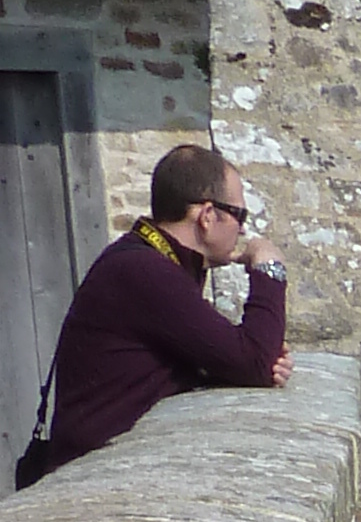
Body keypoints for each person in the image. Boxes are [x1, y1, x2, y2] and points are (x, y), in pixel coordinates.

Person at [13, 142, 291, 488]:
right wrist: (269, 268)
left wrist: (243, 359)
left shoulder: (148, 261)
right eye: (239, 216)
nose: (243, 231)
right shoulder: (145, 271)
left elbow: (227, 356)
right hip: (88, 483)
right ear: (207, 216)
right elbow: (254, 362)